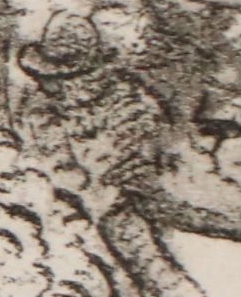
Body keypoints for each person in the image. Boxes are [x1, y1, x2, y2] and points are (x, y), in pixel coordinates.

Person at [14, 14, 172, 203]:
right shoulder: (44, 107)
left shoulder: (126, 98)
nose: (42, 83)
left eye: (48, 76)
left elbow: (150, 137)